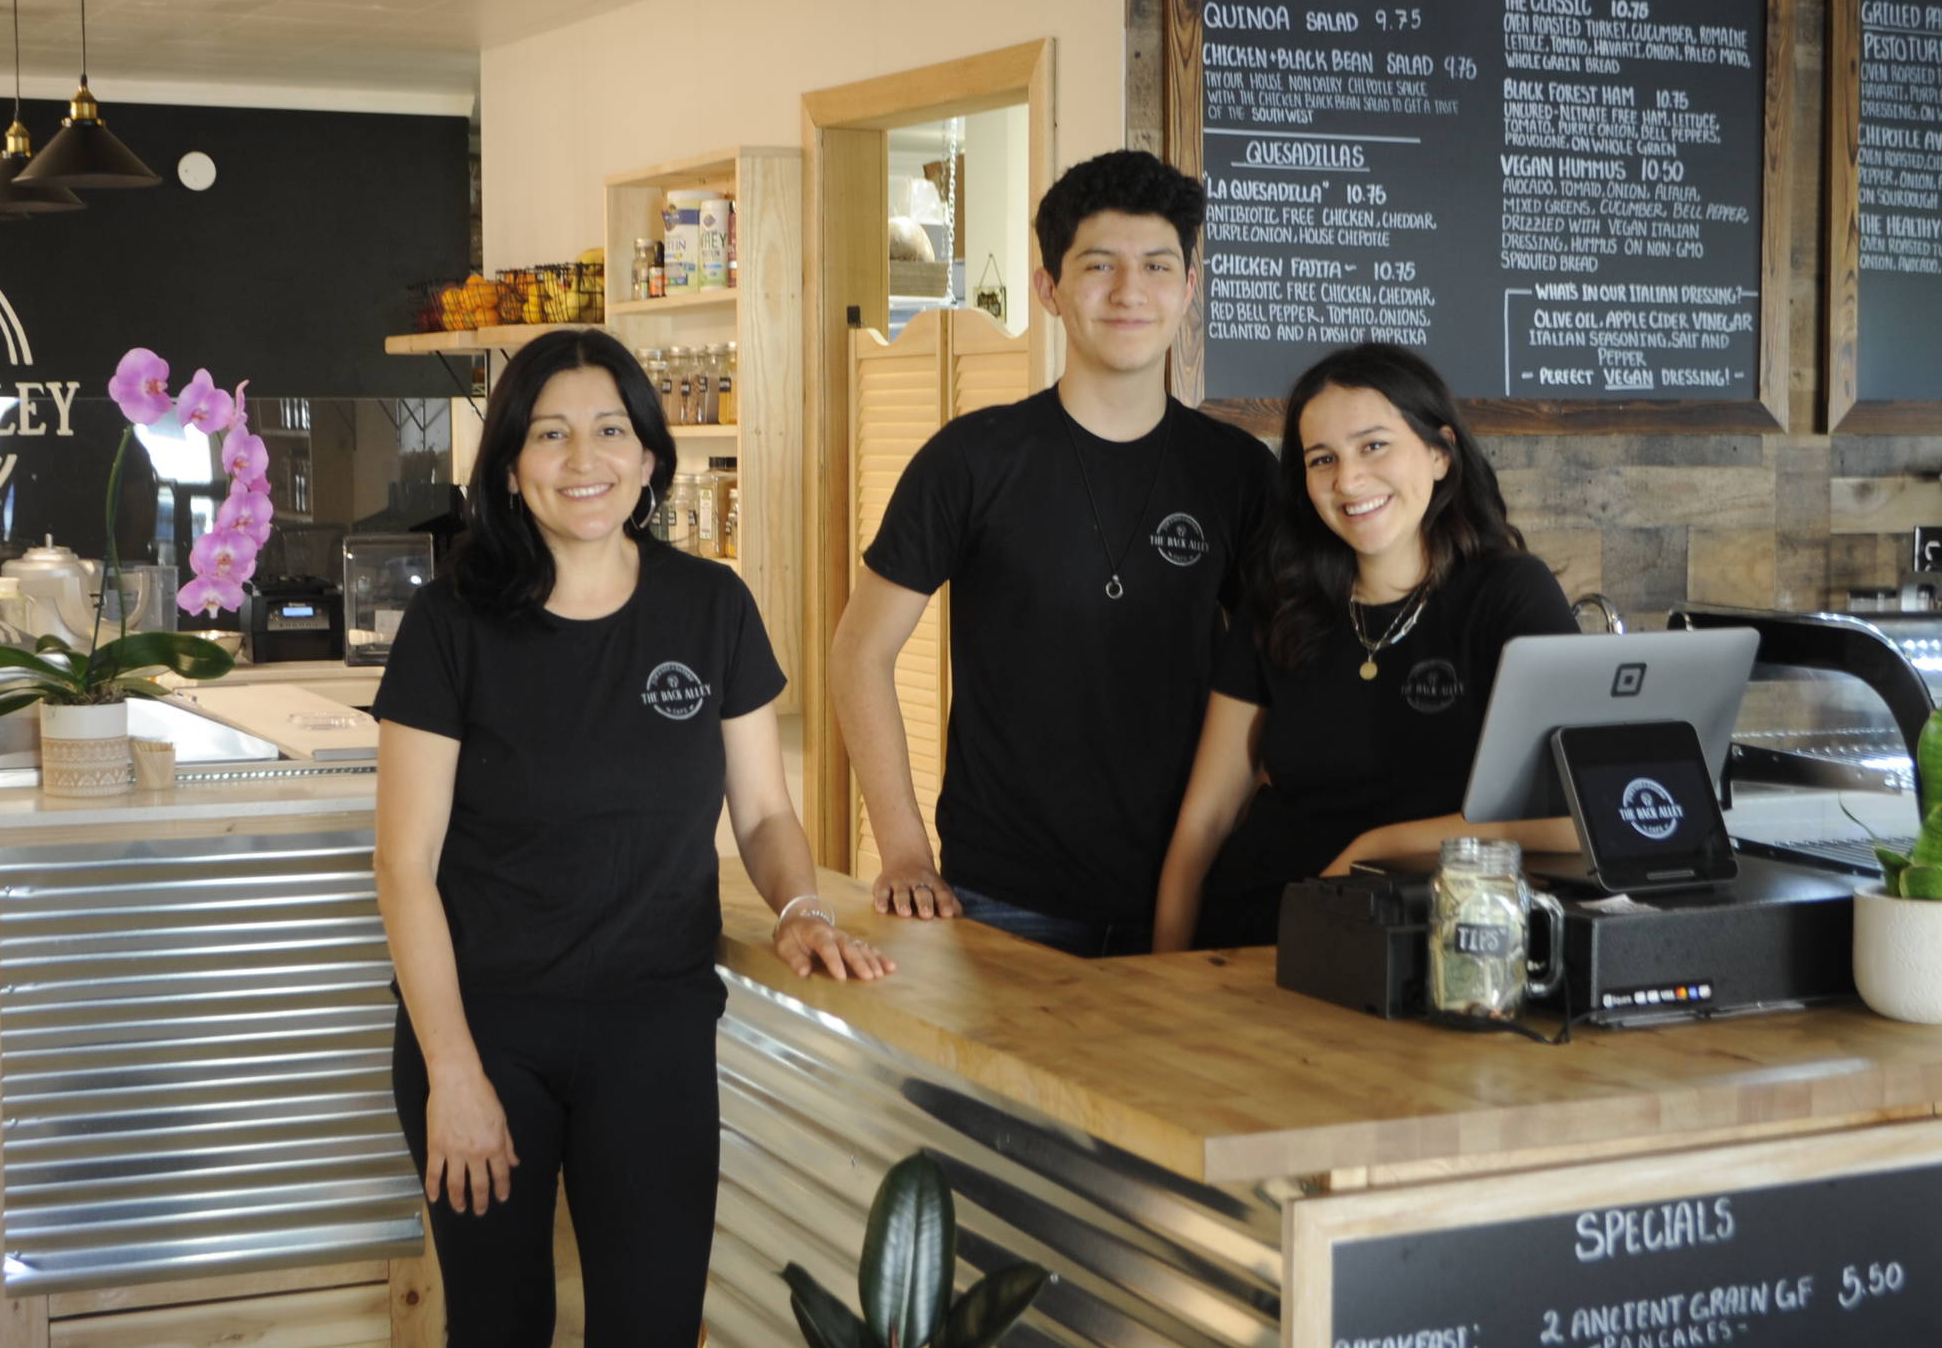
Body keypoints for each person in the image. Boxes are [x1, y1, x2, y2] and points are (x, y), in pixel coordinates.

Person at [371, 328, 890, 1348]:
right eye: (550, 434)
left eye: (609, 430)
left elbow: (766, 812)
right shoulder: (449, 624)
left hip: (651, 1027)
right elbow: (403, 866)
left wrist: (799, 909)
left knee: (651, 1328)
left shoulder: (710, 608)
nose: (582, 460)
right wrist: (454, 1074)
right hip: (485, 1032)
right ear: (511, 465)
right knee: (498, 1326)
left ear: (650, 457)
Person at [832, 149, 1277, 957]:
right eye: (1097, 265)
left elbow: (1276, 668)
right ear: (1050, 289)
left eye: (1156, 265)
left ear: (1188, 288)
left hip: (1197, 883)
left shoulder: (1239, 472)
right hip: (1004, 895)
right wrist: (902, 848)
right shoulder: (973, 459)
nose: (1128, 291)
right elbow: (860, 651)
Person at [1153, 343, 1580, 952]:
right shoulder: (1280, 601)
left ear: (1440, 453)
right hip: (1256, 940)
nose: (1348, 480)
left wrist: (1377, 847)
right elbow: (1206, 821)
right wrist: (1162, 970)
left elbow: (1581, 819)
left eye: (1373, 445)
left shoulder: (1509, 595)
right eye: (1321, 459)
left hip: (1433, 948)